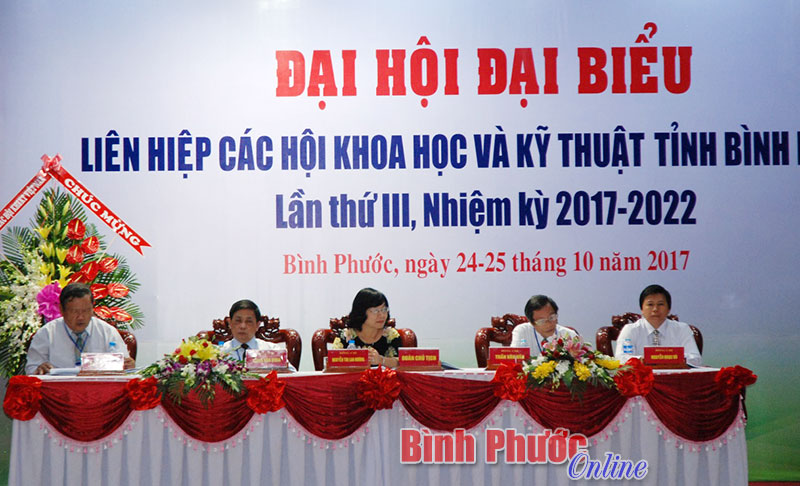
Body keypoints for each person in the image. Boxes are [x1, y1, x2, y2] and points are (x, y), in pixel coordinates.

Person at [26, 282, 134, 374]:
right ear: (62, 310)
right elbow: (31, 369)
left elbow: (124, 367)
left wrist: (128, 366)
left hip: (98, 389)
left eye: (86, 311)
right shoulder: (46, 333)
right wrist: (38, 369)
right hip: (59, 390)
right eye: (75, 312)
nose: (81, 317)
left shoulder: (108, 332)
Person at [615, 284, 702, 366]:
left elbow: (695, 359)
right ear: (642, 309)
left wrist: (670, 357)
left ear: (669, 309)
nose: (655, 309)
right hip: (641, 376)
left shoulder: (682, 329)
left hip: (674, 376)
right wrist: (643, 359)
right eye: (650, 304)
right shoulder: (630, 330)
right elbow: (621, 358)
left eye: (660, 304)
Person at [341, 287, 402, 367]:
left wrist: (381, 360)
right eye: (376, 311)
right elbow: (332, 362)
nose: (382, 315)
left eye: (384, 310)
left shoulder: (390, 335)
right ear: (361, 312)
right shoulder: (347, 335)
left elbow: (402, 362)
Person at [511, 295, 579, 355]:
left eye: (551, 317)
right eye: (542, 321)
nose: (548, 324)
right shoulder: (522, 331)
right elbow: (514, 358)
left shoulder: (570, 335)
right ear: (532, 323)